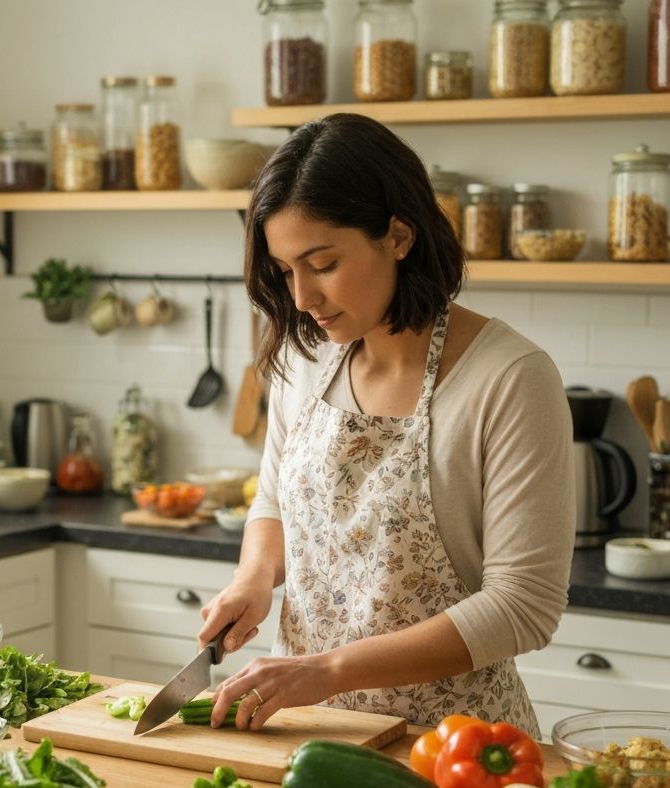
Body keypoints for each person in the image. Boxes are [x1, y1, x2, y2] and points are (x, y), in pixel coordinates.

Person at [203, 114, 575, 739]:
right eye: (286, 270)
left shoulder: (510, 378)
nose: (301, 298)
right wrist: (254, 578)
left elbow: (524, 605)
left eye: (322, 263)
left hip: (455, 749)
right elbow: (274, 502)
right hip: (309, 733)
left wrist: (326, 671)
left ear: (398, 236)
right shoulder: (305, 356)